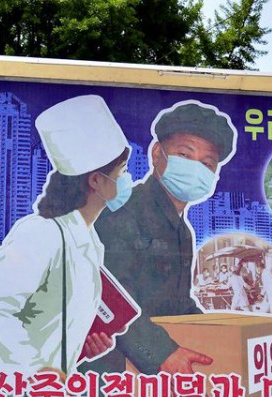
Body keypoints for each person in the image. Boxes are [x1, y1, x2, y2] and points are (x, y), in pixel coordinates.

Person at [0, 95, 131, 397]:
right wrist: (36, 371)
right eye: (122, 172)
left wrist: (82, 347)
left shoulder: (90, 242)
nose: (127, 180)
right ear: (96, 181)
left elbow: (48, 322)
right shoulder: (42, 232)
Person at [84, 100, 237, 380]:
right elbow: (106, 296)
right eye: (184, 154)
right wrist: (162, 352)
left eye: (206, 163)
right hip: (115, 369)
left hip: (156, 375)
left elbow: (176, 303)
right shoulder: (126, 211)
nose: (195, 169)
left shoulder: (183, 232)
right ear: (157, 153)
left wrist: (218, 333)